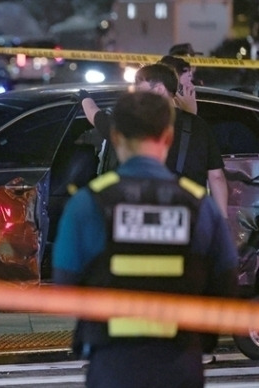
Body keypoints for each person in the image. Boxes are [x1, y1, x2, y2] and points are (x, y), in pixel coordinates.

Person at [53, 91, 238, 388]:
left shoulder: (89, 203)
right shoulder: (199, 205)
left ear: (114, 135)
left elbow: (65, 284)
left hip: (112, 365)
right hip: (181, 364)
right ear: (167, 136)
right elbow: (227, 282)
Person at [79, 63, 229, 219]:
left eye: (140, 92)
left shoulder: (135, 123)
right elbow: (216, 177)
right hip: (190, 219)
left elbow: (96, 117)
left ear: (159, 90)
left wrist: (84, 98)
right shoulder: (198, 125)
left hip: (141, 219)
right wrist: (223, 220)